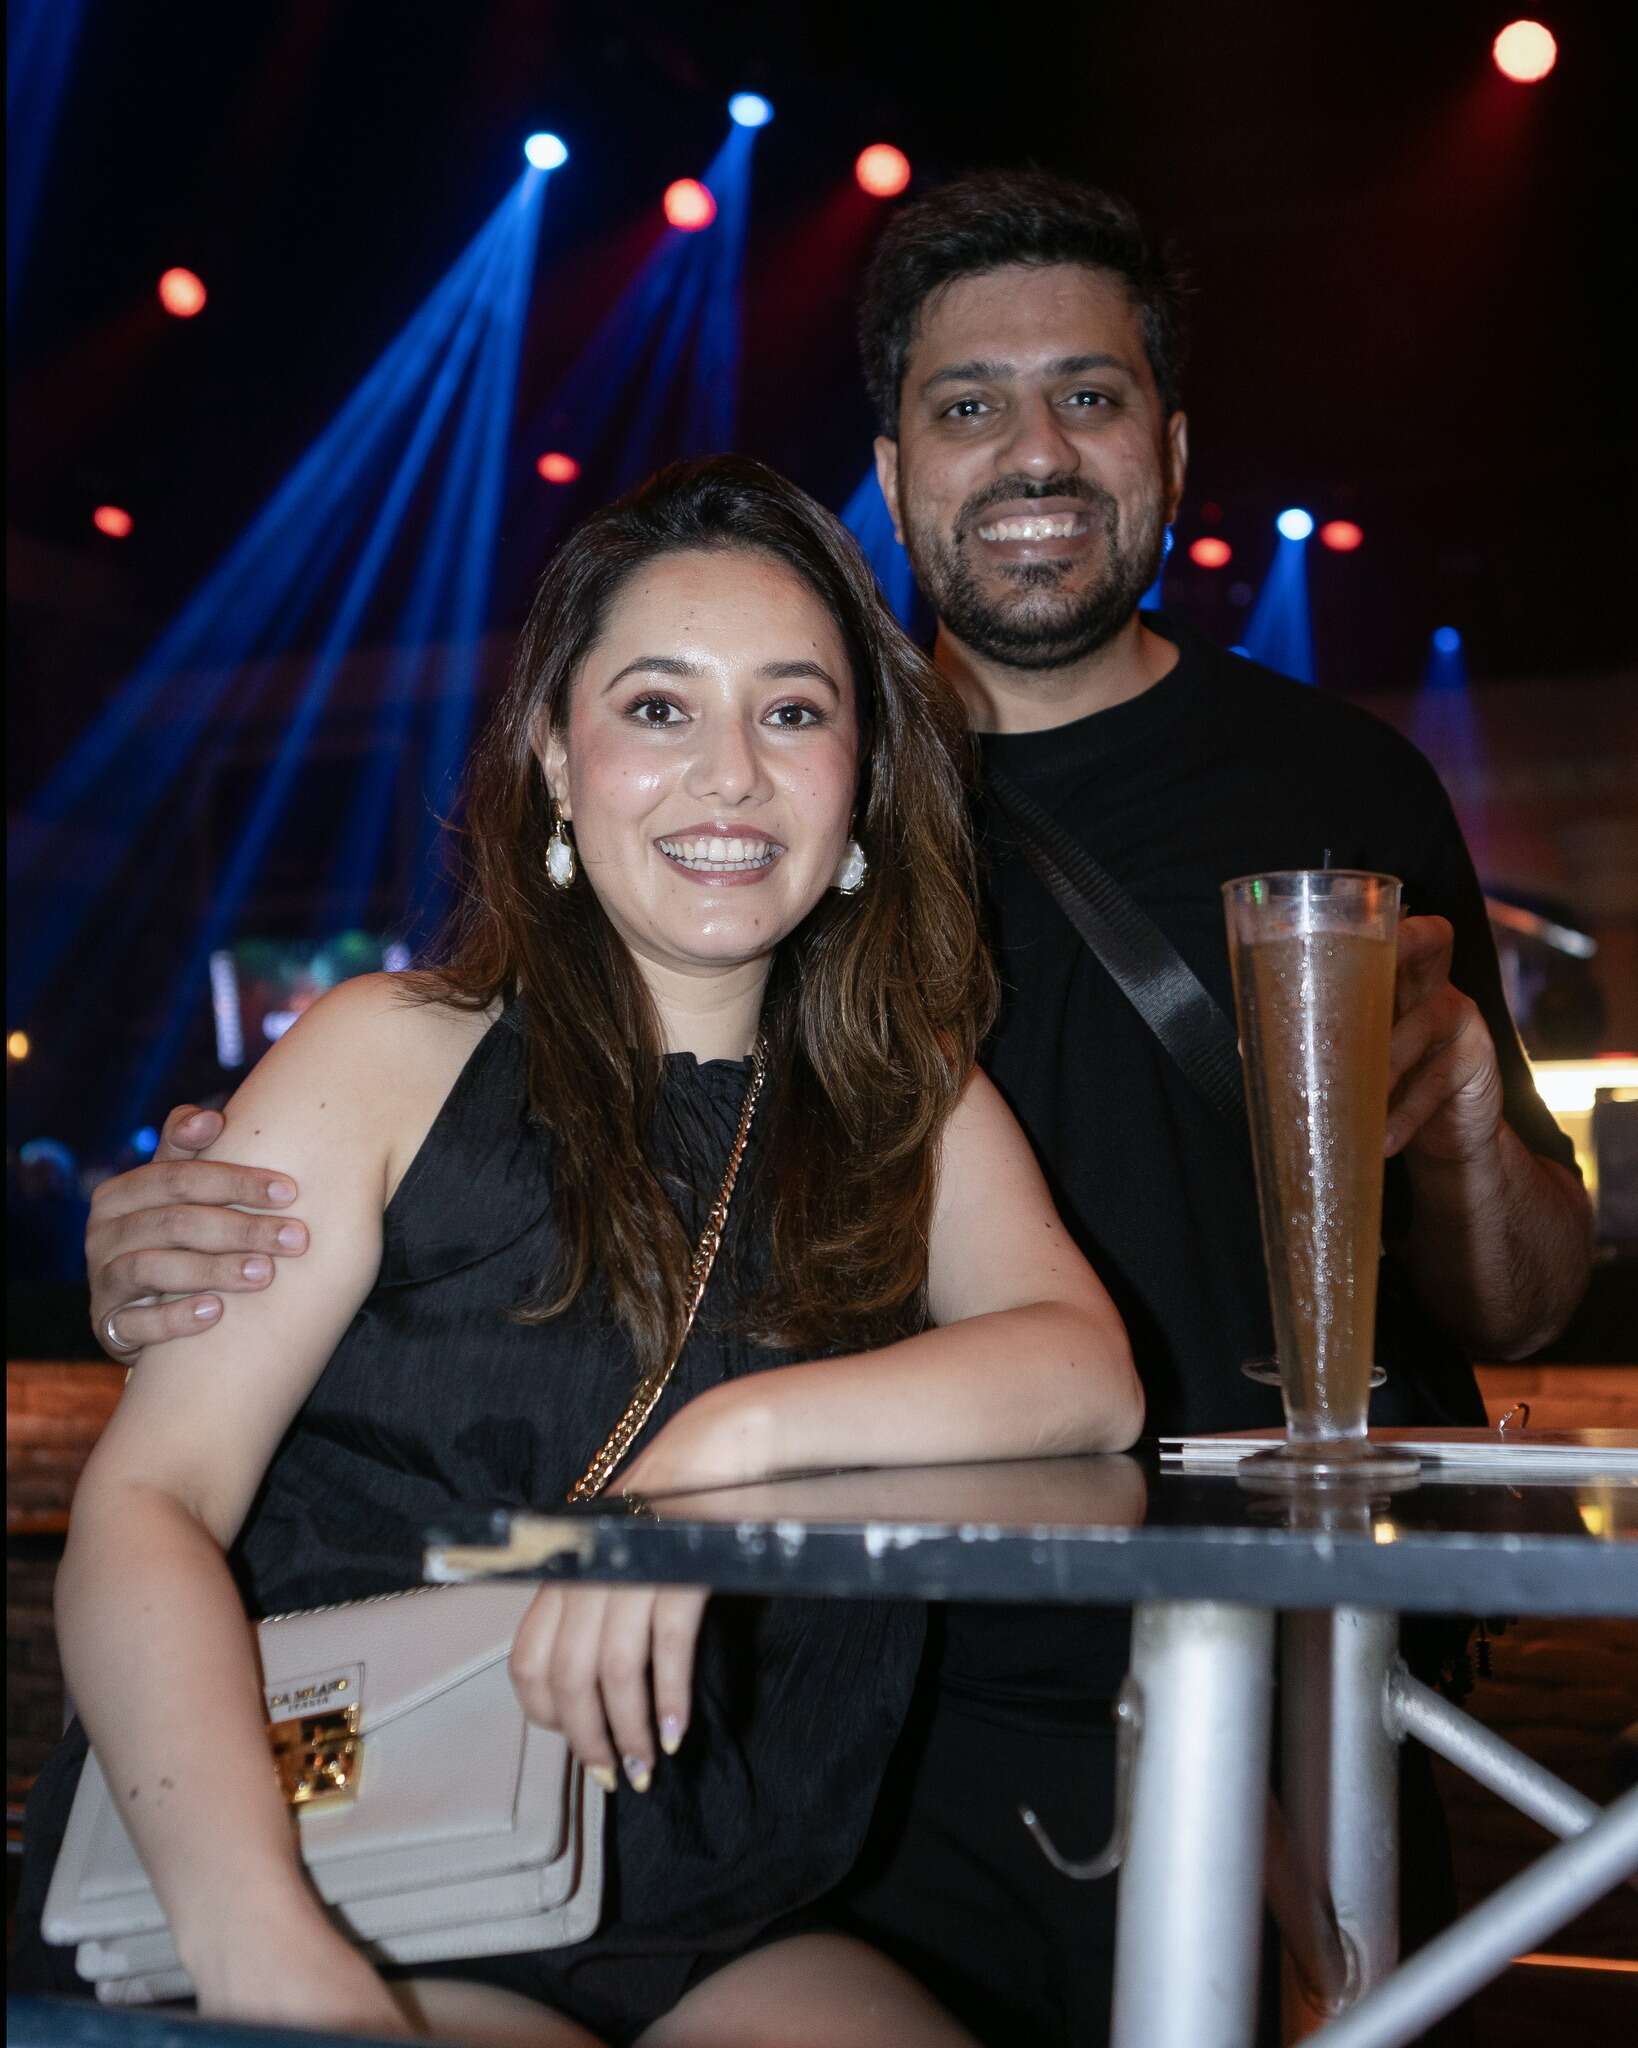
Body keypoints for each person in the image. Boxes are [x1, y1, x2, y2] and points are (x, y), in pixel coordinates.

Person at [79, 175, 1592, 2043]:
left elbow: (1174, 1349)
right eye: (967, 402)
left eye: (1088, 394)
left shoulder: (1067, 954)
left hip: (1107, 1710)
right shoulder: (426, 1042)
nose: (1031, 448)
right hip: (674, 1784)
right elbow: (166, 1481)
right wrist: (180, 1228)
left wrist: (1457, 1114)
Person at [16, 456, 1144, 2048]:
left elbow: (1084, 1372)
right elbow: (150, 1504)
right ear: (556, 754)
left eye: (793, 711)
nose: (729, 776)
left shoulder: (913, 1100)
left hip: (711, 1896)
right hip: (346, 1863)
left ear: (864, 777)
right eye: (658, 708)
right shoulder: (390, 1053)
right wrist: (258, 1933)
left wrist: (712, 1452)